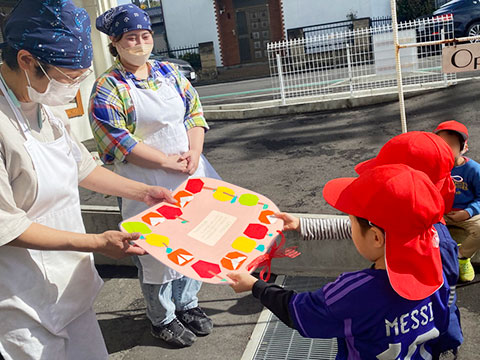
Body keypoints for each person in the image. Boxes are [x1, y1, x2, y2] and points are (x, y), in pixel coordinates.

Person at [0, 1, 177, 359]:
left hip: (70, 284)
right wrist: (96, 241)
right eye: (68, 78)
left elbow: (83, 168)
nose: (74, 89)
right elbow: (9, 226)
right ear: (26, 61)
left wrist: (147, 192)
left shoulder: (43, 108)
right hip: (20, 299)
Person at [90, 4, 219, 348]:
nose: (140, 43)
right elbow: (116, 138)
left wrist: (193, 152)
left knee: (193, 243)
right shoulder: (107, 87)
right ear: (115, 43)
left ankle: (187, 304)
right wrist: (164, 161)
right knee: (155, 253)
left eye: (145, 35)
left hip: (190, 174)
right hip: (144, 182)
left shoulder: (168, 72)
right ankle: (161, 318)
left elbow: (194, 113)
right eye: (131, 37)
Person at [229, 164, 451, 359]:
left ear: (376, 237)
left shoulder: (356, 291)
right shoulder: (436, 270)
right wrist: (304, 225)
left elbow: (299, 313)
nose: (349, 227)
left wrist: (255, 286)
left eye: (351, 221)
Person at [275, 131, 463, 358]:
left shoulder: (437, 248)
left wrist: (445, 341)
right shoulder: (421, 231)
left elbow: (446, 304)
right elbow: (360, 226)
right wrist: (305, 225)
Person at [435, 120, 480, 283]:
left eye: (451, 145)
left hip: (466, 212)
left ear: (464, 148)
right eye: (441, 145)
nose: (446, 149)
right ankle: (435, 262)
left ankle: (462, 257)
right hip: (441, 213)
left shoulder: (473, 169)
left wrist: (467, 212)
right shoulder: (434, 167)